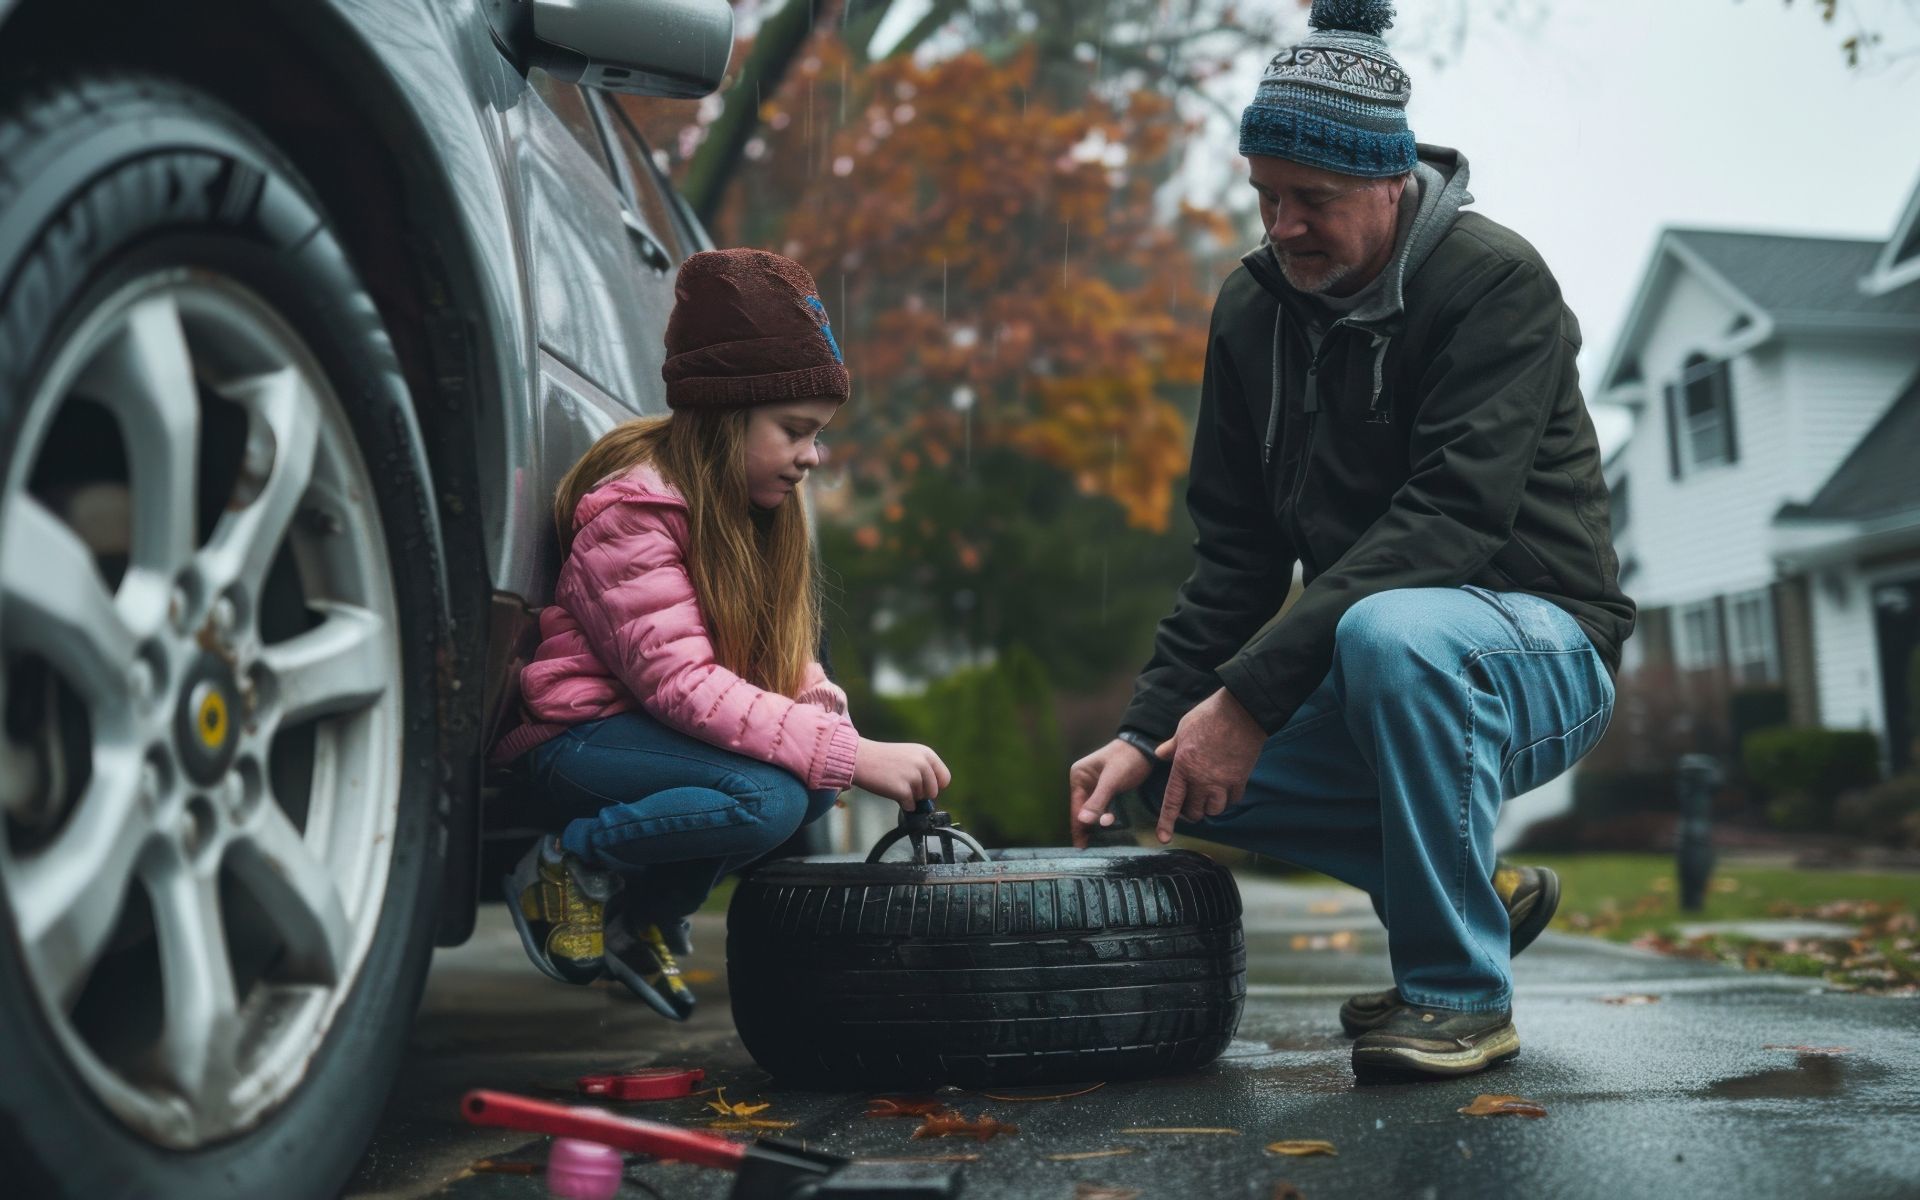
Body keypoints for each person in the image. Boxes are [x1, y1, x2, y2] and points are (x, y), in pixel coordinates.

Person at [1068, 0, 1634, 1080]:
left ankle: (1459, 998)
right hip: (1385, 649)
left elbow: (1452, 520)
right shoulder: (1250, 311)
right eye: (1265, 195)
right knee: (1178, 768)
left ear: (1391, 181)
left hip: (1542, 649)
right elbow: (1235, 549)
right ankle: (1475, 896)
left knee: (1394, 633)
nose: (1281, 227)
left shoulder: (1495, 283)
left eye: (1311, 200)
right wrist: (1148, 731)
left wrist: (1248, 696)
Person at [492, 248, 950, 1020]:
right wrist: (850, 754)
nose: (812, 456)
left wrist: (827, 718)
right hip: (572, 743)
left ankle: (645, 919)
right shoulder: (634, 514)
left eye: (818, 434)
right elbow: (681, 686)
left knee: (804, 788)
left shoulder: (747, 514)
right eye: (795, 430)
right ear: (723, 415)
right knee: (767, 797)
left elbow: (778, 655)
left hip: (647, 738)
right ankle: (569, 862)